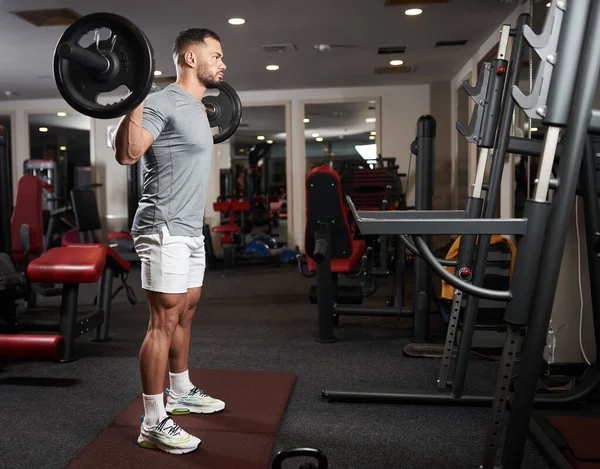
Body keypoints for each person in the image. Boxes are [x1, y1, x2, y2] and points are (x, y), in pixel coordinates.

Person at [113, 28, 227, 455]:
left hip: (189, 228)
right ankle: (153, 420)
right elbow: (128, 154)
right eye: (216, 55)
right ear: (191, 58)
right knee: (163, 320)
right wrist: (136, 96)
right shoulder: (162, 100)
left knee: (187, 309)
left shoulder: (198, 106)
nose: (223, 63)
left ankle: (179, 392)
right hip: (162, 226)